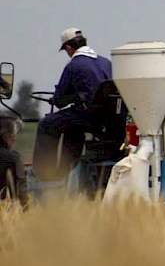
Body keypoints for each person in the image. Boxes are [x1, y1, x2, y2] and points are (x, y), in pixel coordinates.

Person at [33, 27, 113, 181]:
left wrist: (59, 98)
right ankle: (67, 170)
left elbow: (59, 100)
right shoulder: (106, 63)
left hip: (88, 117)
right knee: (71, 129)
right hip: (108, 119)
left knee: (47, 124)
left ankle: (44, 173)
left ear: (69, 48)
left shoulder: (74, 66)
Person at [0, 116, 28, 206]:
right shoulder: (12, 157)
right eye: (14, 135)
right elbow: (21, 191)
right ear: (7, 136)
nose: (15, 139)